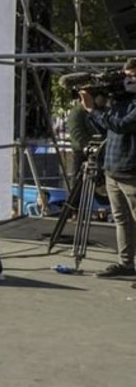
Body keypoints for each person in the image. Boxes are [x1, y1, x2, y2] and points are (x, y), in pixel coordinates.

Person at [81, 57, 136, 279]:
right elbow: (106, 128)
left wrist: (94, 110)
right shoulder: (121, 101)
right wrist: (95, 109)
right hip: (113, 169)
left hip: (132, 171)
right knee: (121, 220)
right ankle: (126, 263)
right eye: (127, 75)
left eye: (133, 75)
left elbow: (122, 125)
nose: (129, 79)